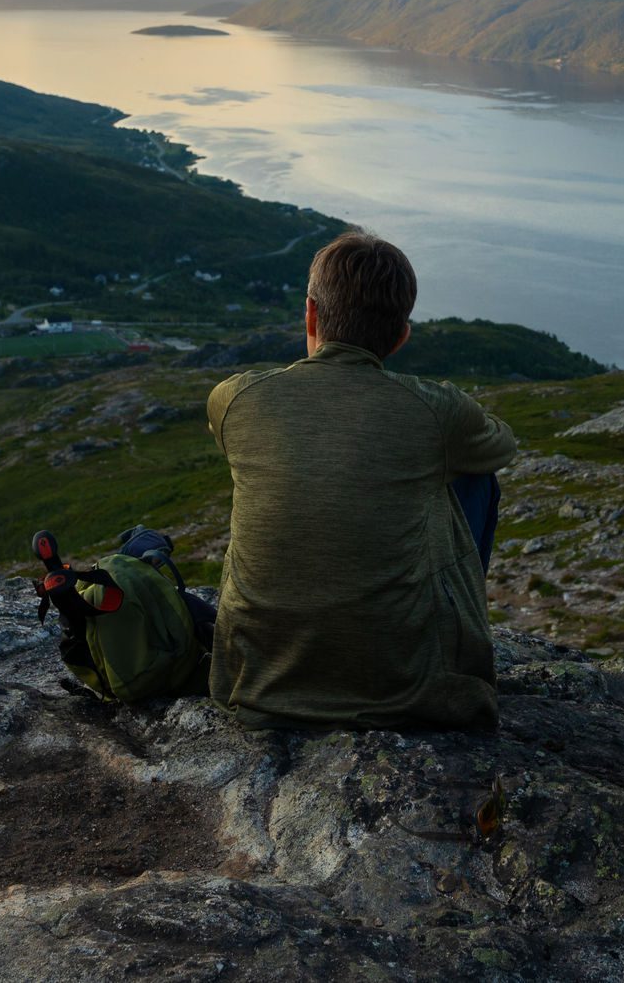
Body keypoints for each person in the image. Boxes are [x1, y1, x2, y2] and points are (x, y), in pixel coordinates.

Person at [205, 231, 518, 730]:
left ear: (310, 313)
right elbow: (502, 446)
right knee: (475, 480)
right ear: (401, 336)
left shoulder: (235, 399)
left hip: (252, 690)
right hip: (408, 697)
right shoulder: (438, 411)